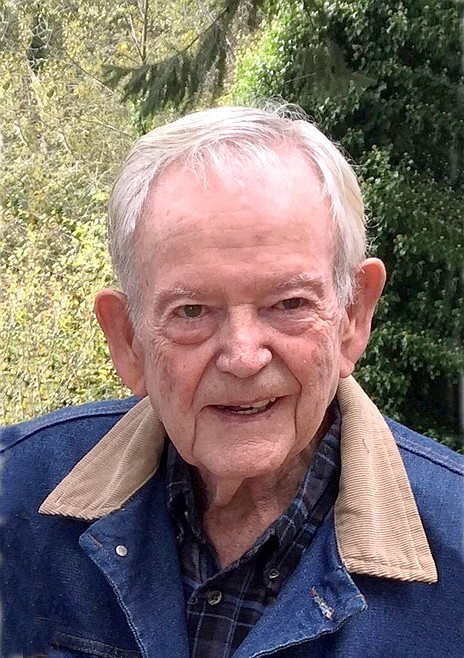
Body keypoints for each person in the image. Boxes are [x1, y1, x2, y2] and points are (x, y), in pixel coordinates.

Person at [1, 105, 462, 658]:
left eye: (289, 304)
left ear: (352, 316)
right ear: (128, 340)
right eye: (192, 311)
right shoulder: (16, 497)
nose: (243, 357)